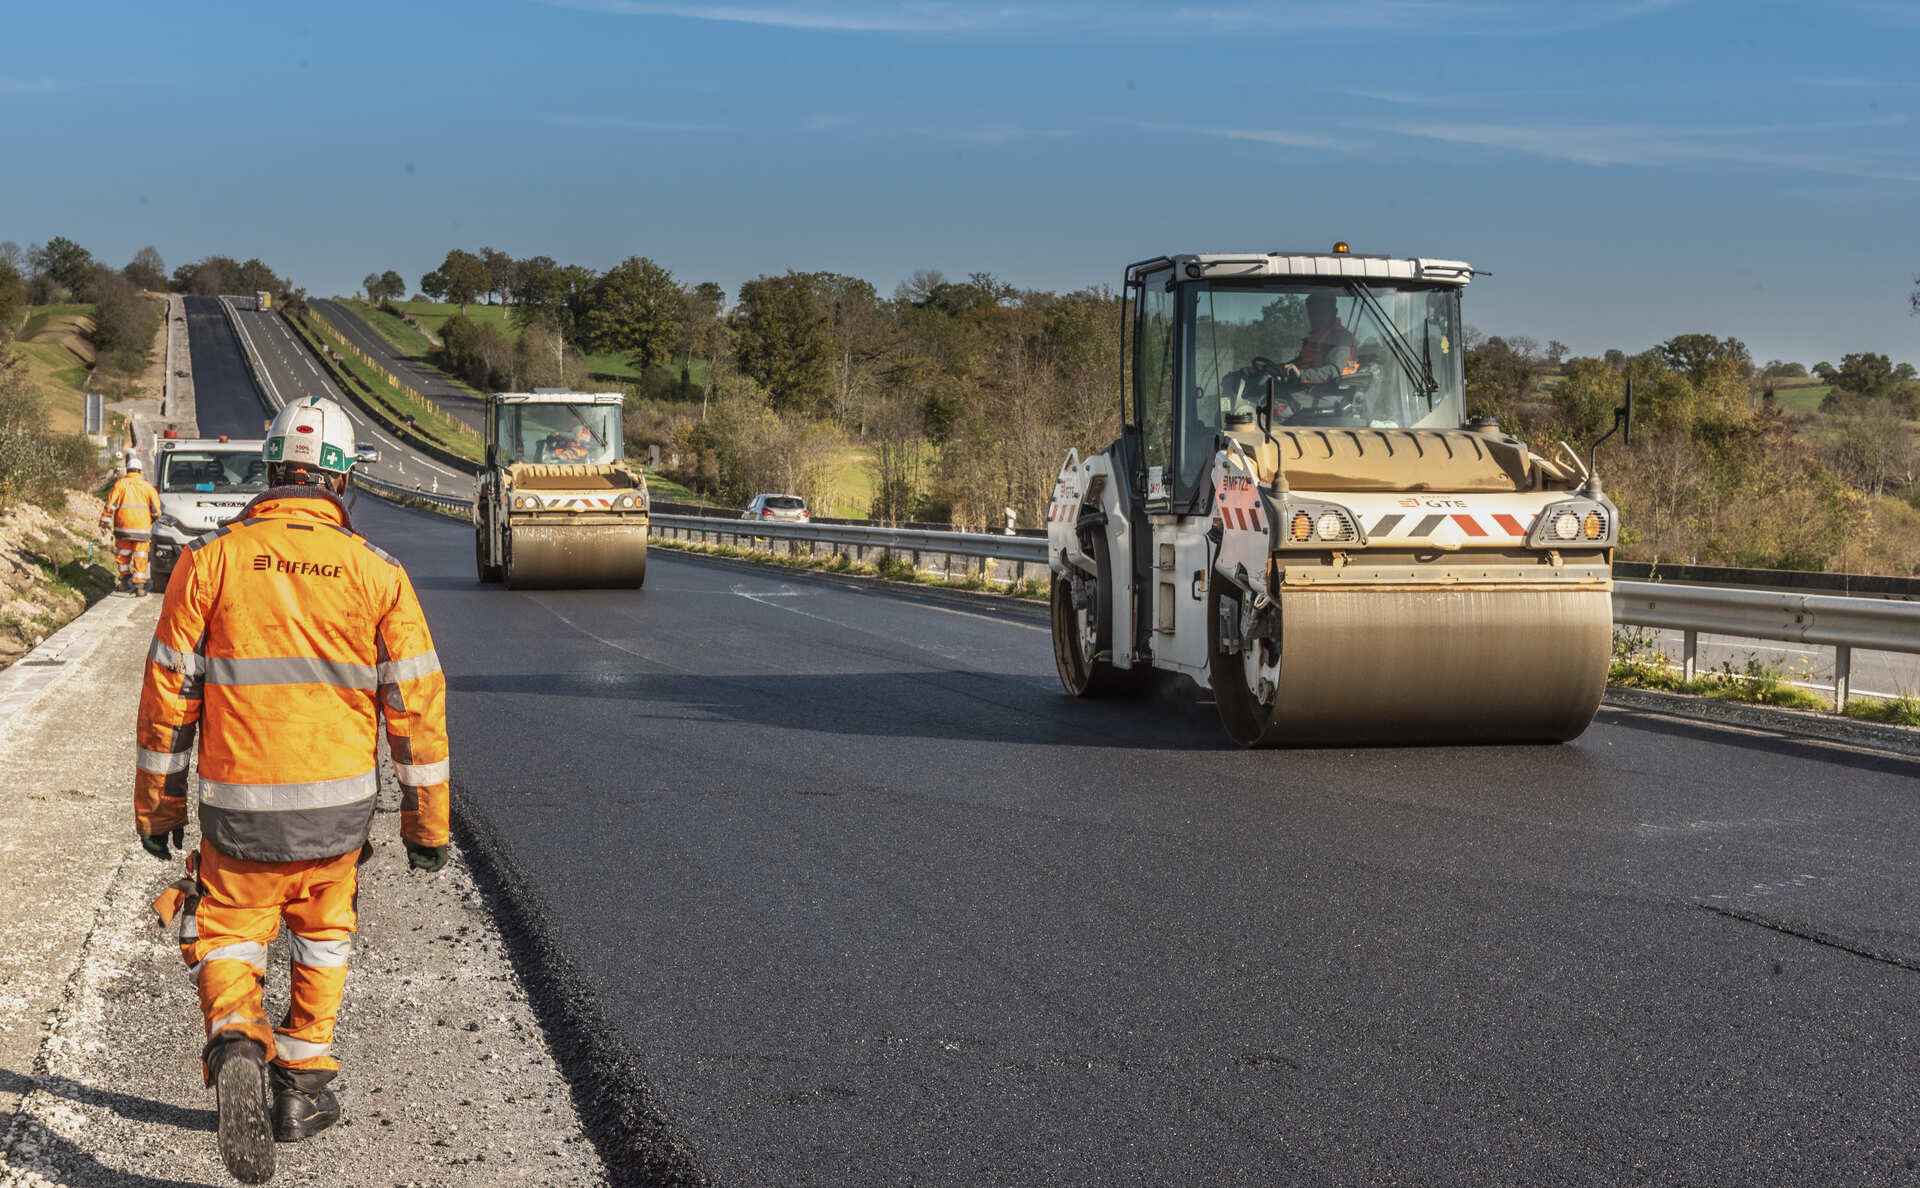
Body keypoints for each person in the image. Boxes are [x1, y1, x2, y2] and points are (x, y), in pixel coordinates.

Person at [134, 394, 451, 1184]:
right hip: (337, 819)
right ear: (341, 484)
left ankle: (237, 1033)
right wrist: (426, 827)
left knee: (228, 934)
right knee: (323, 935)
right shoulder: (380, 574)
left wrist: (159, 808)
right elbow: (417, 711)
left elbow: (168, 700)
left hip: (238, 812)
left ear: (270, 473)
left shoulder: (210, 563)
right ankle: (302, 1087)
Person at [100, 453, 163, 596]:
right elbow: (157, 511)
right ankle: (140, 586)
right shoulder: (147, 487)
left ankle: (124, 581)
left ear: (127, 471)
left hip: (122, 528)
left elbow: (110, 505)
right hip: (142, 529)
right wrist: (152, 520)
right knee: (140, 556)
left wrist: (104, 522)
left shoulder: (120, 485)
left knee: (123, 555)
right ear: (140, 471)